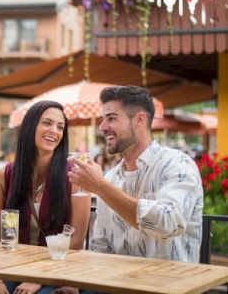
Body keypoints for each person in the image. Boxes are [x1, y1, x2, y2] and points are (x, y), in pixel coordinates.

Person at [68, 86, 203, 265]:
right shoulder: (110, 178)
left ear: (139, 120)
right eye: (103, 119)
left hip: (168, 285)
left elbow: (168, 222)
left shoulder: (178, 164)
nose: (102, 127)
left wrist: (100, 187)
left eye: (111, 118)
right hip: (115, 285)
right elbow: (100, 245)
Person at [0, 101, 91, 294]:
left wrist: (38, 278)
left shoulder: (76, 177)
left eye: (60, 127)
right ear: (30, 127)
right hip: (7, 268)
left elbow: (77, 241)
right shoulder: (2, 176)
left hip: (55, 271)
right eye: (47, 123)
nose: (54, 131)